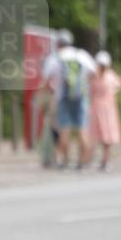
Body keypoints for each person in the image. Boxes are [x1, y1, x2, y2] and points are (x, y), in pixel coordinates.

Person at [41, 29, 96, 169]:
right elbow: (94, 73)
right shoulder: (81, 55)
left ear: (58, 43)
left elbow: (46, 81)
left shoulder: (55, 58)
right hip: (81, 96)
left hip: (62, 97)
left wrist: (52, 90)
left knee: (64, 129)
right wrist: (84, 85)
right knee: (82, 129)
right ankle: (82, 162)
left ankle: (64, 161)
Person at [89, 51, 121, 171]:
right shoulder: (110, 76)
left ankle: (92, 159)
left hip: (97, 107)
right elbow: (117, 86)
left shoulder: (94, 77)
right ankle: (104, 159)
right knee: (107, 135)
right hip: (108, 108)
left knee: (95, 134)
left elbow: (89, 91)